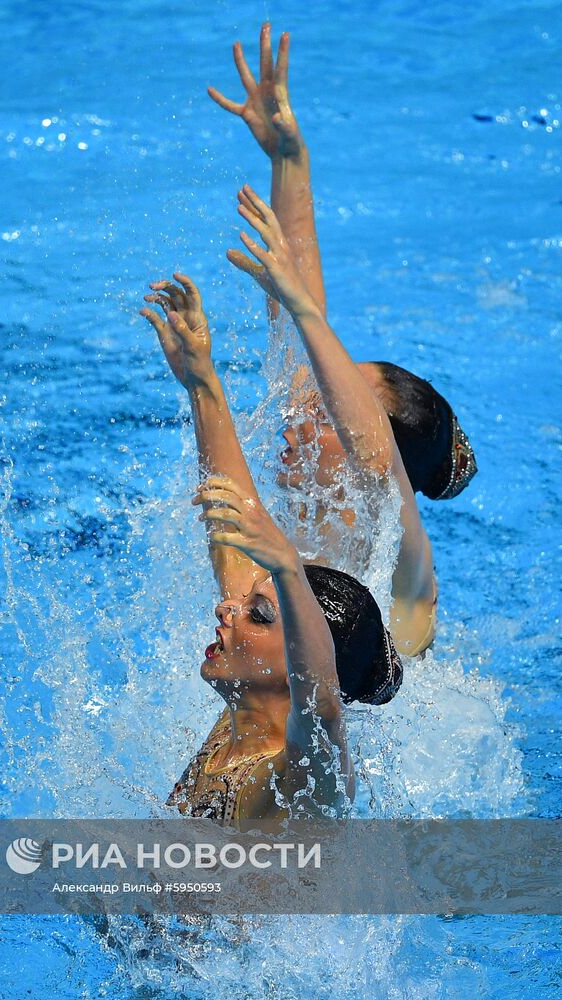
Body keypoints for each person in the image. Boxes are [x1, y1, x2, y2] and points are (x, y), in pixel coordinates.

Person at [208, 24, 477, 656]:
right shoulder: (312, 504)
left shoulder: (401, 553)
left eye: (329, 403)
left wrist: (302, 308)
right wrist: (288, 160)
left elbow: (376, 453)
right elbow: (304, 337)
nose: (301, 408)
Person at [140, 274, 402, 829]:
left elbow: (323, 705)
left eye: (257, 615)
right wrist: (202, 383)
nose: (226, 610)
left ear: (300, 665)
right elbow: (229, 521)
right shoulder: (239, 721)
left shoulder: (303, 776)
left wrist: (286, 564)